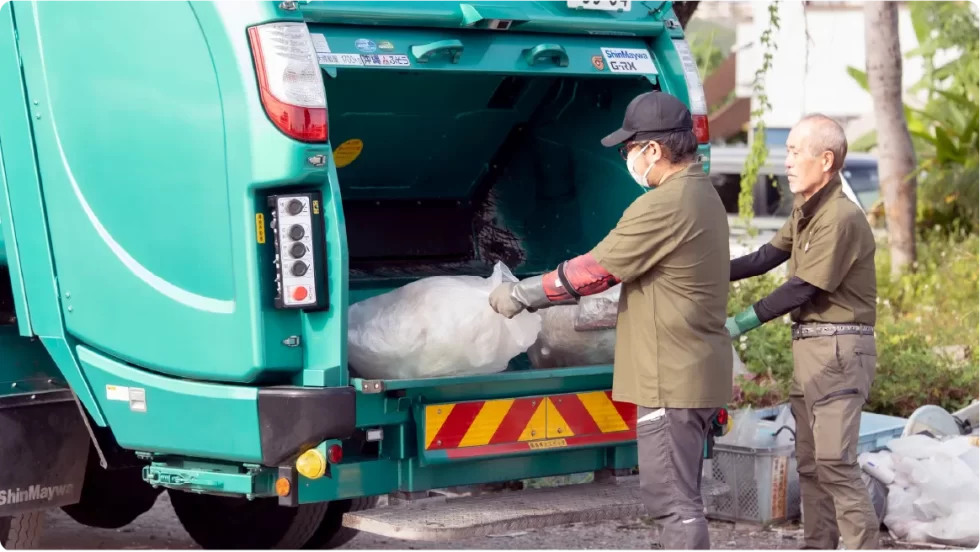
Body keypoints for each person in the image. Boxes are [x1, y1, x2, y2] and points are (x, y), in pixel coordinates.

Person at [489, 91, 732, 551]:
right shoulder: (703, 196)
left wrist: (520, 295)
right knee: (682, 498)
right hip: (696, 369)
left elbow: (595, 271)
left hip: (670, 378)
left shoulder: (664, 205)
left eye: (629, 150)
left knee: (674, 504)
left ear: (653, 150)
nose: (628, 159)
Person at [725, 114, 879, 551]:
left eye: (795, 151)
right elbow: (762, 258)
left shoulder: (840, 217)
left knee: (835, 463)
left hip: (838, 350)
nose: (786, 161)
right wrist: (703, 271)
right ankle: (818, 545)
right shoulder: (806, 211)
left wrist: (737, 325)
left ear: (825, 160)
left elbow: (802, 287)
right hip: (812, 350)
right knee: (811, 464)